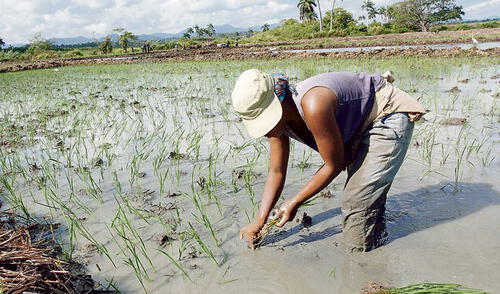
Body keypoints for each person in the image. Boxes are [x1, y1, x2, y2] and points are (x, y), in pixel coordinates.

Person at [232, 69, 425, 252]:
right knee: (365, 195)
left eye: (265, 120)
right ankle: (377, 241)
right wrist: (260, 220)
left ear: (279, 103)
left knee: (356, 202)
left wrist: (295, 201)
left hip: (386, 114)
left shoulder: (314, 105)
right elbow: (276, 171)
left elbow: (334, 164)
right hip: (356, 125)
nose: (266, 131)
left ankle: (362, 265)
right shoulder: (278, 125)